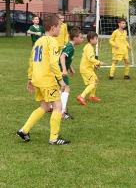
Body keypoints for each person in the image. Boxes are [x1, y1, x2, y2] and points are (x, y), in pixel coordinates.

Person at [16, 14, 71, 145]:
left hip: (37, 79)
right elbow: (53, 62)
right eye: (59, 27)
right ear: (53, 28)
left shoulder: (38, 41)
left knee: (44, 106)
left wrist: (30, 78)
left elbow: (31, 61)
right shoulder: (52, 41)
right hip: (47, 80)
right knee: (58, 106)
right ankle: (54, 138)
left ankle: (24, 130)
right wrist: (61, 80)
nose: (60, 29)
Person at [59, 27, 84, 119]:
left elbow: (66, 59)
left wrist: (70, 67)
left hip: (59, 69)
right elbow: (62, 57)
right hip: (60, 69)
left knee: (61, 88)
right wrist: (64, 70)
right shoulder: (70, 46)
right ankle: (62, 112)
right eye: (81, 37)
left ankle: (53, 107)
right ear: (75, 38)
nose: (82, 39)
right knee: (66, 89)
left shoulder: (70, 45)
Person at [77, 31, 106, 105]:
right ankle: (82, 96)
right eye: (96, 39)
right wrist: (99, 63)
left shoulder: (87, 46)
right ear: (91, 39)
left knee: (96, 80)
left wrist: (94, 66)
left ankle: (92, 96)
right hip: (86, 69)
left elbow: (87, 59)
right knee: (93, 82)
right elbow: (90, 59)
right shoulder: (89, 48)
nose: (97, 40)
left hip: (87, 68)